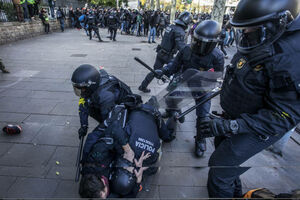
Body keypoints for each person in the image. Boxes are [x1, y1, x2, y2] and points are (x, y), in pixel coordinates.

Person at [196, 0, 300, 198]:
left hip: (259, 126)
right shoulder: (263, 38)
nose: (244, 35)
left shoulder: (292, 57)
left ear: (278, 22)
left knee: (220, 168)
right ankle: (235, 191)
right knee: (223, 152)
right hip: (239, 114)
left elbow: (284, 116)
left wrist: (233, 126)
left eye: (250, 30)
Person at [79, 97, 175, 198]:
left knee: (152, 139)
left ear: (103, 180)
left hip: (117, 145)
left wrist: (128, 151)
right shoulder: (95, 190)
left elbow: (114, 128)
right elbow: (129, 195)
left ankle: (161, 112)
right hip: (125, 165)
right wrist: (138, 180)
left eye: (103, 195)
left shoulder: (96, 157)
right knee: (149, 165)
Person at [155, 20, 224, 158]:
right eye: (197, 41)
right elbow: (173, 66)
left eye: (203, 43)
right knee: (172, 102)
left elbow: (217, 77)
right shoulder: (186, 49)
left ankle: (200, 139)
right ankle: (172, 118)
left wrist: (213, 84)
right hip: (184, 84)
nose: (199, 45)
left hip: (203, 89)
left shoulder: (218, 56)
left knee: (203, 116)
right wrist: (163, 70)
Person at [71, 64, 132, 139]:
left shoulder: (105, 96)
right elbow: (83, 105)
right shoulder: (90, 88)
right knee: (90, 107)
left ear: (90, 85)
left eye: (82, 89)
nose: (80, 91)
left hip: (124, 107)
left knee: (109, 128)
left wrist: (100, 134)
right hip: (107, 101)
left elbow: (107, 120)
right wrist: (84, 125)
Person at [138, 11, 192, 93]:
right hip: (168, 55)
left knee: (155, 71)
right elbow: (181, 47)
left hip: (160, 52)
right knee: (177, 71)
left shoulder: (171, 26)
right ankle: (171, 91)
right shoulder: (180, 31)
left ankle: (143, 86)